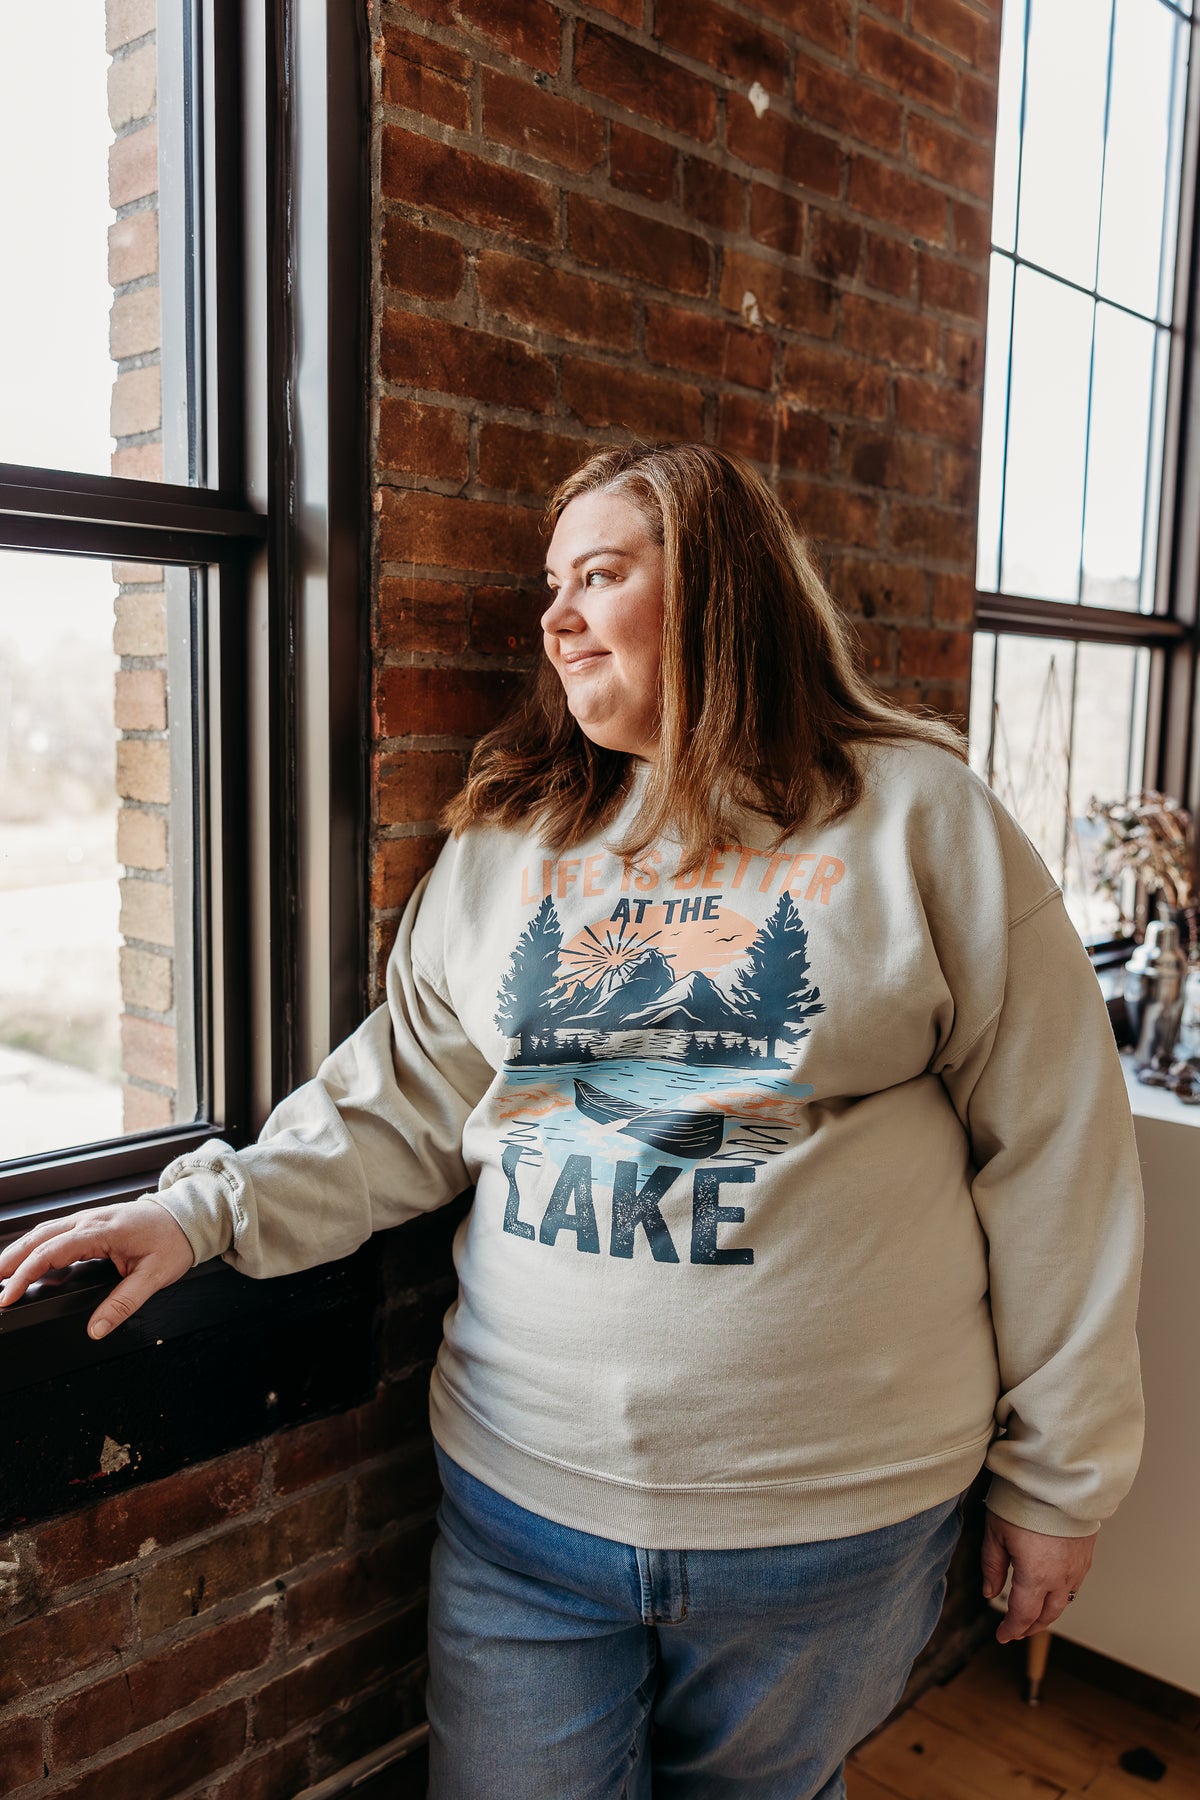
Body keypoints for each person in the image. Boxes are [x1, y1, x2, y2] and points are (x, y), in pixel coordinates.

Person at [0, 444, 1143, 1800]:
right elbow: (406, 1094)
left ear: (721, 590)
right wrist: (202, 1212)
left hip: (832, 1519)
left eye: (600, 576)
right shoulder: (511, 841)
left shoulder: (918, 819)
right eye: (554, 583)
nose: (554, 619)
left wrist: (1060, 1484)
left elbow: (1061, 1157)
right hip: (523, 1501)